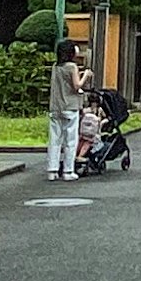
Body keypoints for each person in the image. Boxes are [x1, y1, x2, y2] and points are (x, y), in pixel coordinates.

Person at [46, 38, 91, 184]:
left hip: (55, 107)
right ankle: (68, 171)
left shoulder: (56, 67)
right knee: (70, 140)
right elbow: (77, 86)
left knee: (54, 139)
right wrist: (86, 75)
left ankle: (52, 171)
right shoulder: (72, 67)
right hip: (70, 107)